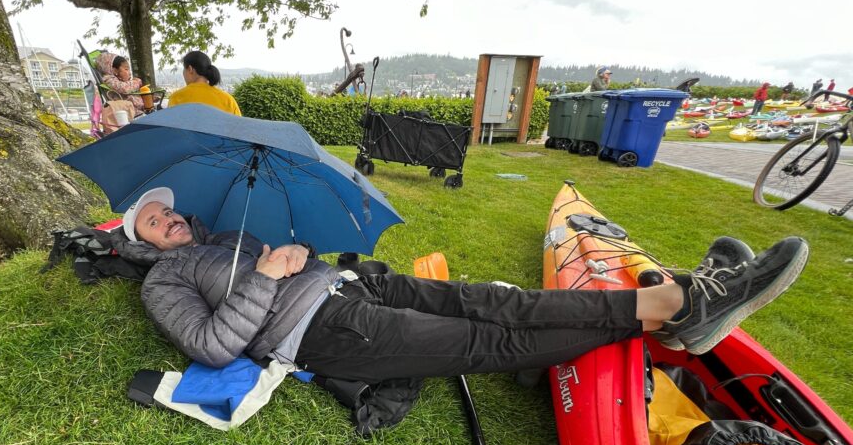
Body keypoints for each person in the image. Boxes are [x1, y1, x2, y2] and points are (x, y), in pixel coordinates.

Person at [111, 186, 809, 385]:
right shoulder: (162, 285)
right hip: (326, 333)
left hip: (358, 287)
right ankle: (676, 308)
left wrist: (291, 253)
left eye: (168, 209)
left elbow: (289, 265)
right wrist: (265, 277)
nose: (168, 218)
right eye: (152, 218)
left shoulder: (229, 234)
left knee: (501, 299)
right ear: (139, 238)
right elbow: (210, 347)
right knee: (485, 339)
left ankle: (677, 303)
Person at [167, 50, 242, 115]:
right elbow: (238, 128)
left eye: (184, 69)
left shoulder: (177, 98)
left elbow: (170, 128)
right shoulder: (228, 100)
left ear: (190, 69)